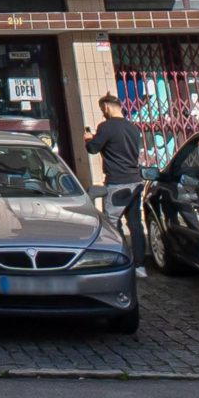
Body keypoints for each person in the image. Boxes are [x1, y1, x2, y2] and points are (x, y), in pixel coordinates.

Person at [85, 93, 149, 272]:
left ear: (106, 106)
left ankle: (119, 261)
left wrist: (88, 138)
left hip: (117, 182)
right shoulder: (133, 128)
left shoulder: (106, 127)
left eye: (102, 109)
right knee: (135, 224)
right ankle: (140, 264)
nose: (102, 113)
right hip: (135, 181)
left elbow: (92, 148)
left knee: (112, 223)